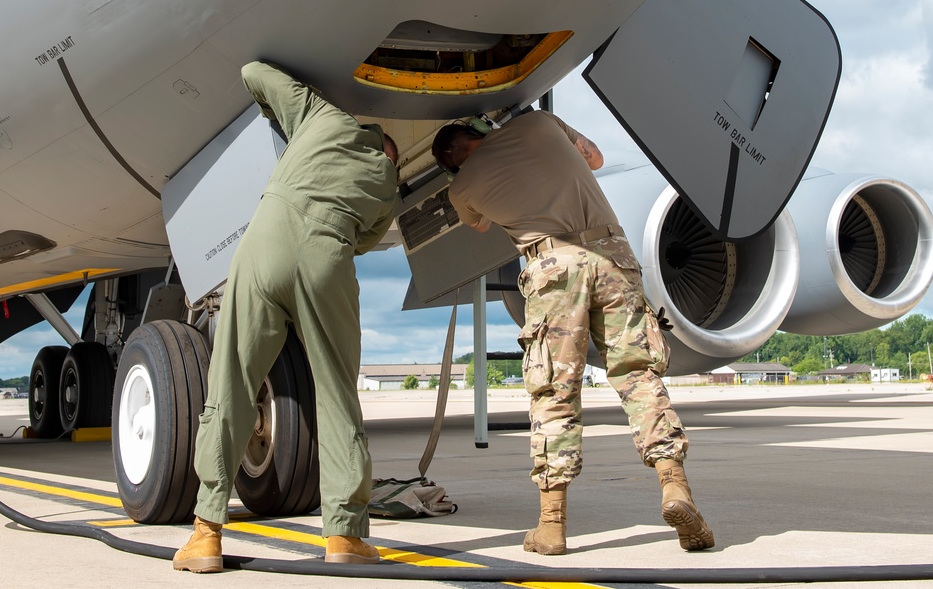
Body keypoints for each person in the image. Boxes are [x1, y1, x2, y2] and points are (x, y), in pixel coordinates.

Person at [431, 111, 714, 555]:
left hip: (552, 267)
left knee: (554, 392)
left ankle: (552, 525)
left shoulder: (461, 187)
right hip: (613, 255)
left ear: (451, 163)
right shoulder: (540, 124)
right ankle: (674, 487)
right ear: (480, 130)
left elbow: (480, 224)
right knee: (639, 376)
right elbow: (595, 158)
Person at [173, 61, 399, 572]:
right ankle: (344, 534)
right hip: (328, 255)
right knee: (337, 392)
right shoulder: (387, 182)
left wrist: (285, 121)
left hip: (262, 247)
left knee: (230, 384)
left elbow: (252, 71)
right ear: (390, 155)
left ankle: (206, 533)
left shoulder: (324, 118)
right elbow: (366, 240)